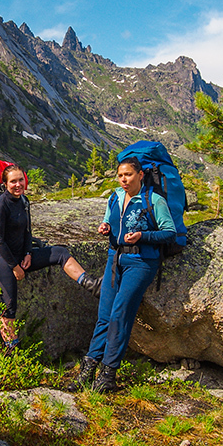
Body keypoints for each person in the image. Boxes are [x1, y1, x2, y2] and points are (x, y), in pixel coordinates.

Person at [75, 157, 177, 393]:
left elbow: (169, 233)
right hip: (115, 258)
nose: (123, 179)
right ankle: (88, 369)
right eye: (120, 175)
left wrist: (144, 236)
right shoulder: (115, 197)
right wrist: (105, 228)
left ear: (140, 175)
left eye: (128, 175)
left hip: (141, 262)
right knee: (104, 314)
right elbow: (107, 220)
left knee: (120, 313)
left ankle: (108, 374)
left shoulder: (154, 200)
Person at [0, 164, 100, 348]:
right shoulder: (0, 205)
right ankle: (12, 352)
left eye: (21, 180)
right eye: (13, 181)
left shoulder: (24, 201)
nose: (18, 184)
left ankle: (91, 285)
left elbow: (27, 232)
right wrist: (15, 266)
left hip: (20, 254)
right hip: (1, 257)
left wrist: (28, 253)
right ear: (5, 184)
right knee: (9, 304)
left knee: (60, 253)